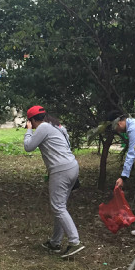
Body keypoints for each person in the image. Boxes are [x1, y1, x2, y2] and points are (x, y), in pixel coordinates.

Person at [24, 105, 84, 258]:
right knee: (60, 206)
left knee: (58, 206)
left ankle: (74, 241)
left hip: (61, 170)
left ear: (31, 120)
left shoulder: (43, 127)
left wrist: (29, 130)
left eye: (29, 121)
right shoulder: (56, 126)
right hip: (71, 166)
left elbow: (28, 146)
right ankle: (55, 242)